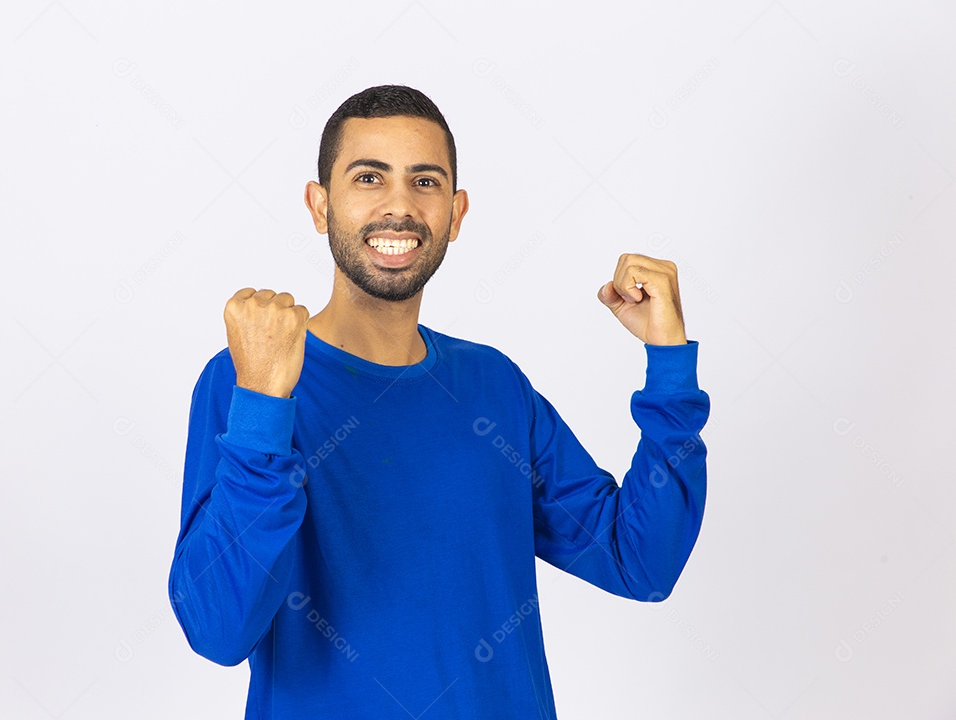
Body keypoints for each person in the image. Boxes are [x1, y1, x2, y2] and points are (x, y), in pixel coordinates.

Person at [167, 84, 710, 719]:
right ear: (319, 206)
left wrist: (669, 364)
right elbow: (216, 631)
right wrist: (263, 405)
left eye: (424, 182)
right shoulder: (247, 380)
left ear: (455, 214)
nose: (398, 206)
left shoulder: (494, 387)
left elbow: (639, 562)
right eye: (369, 177)